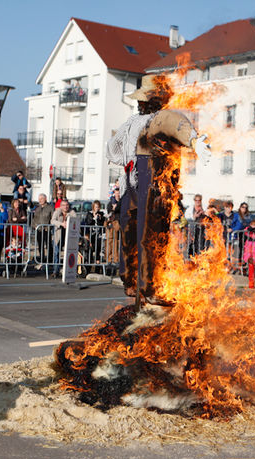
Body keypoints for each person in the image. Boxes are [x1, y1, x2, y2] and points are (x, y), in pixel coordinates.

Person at [105, 73, 211, 303]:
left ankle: (132, 282)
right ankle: (148, 287)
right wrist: (194, 141)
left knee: (131, 236)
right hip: (150, 182)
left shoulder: (130, 122)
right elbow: (176, 123)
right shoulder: (157, 118)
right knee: (149, 235)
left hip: (131, 184)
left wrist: (127, 160)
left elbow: (111, 149)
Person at [51, 199, 77, 277]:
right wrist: (61, 224)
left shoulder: (72, 212)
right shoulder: (57, 212)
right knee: (56, 253)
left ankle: (67, 271)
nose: (65, 207)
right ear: (60, 206)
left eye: (67, 205)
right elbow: (52, 221)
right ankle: (56, 270)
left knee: (68, 253)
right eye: (63, 205)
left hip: (68, 236)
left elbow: (75, 220)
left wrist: (68, 223)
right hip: (58, 235)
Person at [31, 193, 55, 265]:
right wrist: (34, 226)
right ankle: (41, 259)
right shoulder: (37, 208)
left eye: (41, 199)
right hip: (38, 229)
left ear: (45, 199)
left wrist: (49, 227)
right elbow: (34, 218)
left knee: (48, 245)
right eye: (39, 199)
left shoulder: (50, 207)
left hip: (46, 229)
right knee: (40, 245)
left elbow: (53, 219)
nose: (40, 200)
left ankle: (50, 260)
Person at [105, 188, 122, 267]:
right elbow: (110, 211)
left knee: (117, 243)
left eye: (119, 193)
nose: (117, 195)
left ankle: (116, 259)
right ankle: (109, 259)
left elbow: (120, 210)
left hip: (120, 225)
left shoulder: (122, 202)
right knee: (110, 243)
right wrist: (114, 209)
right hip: (112, 225)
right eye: (116, 193)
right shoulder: (110, 203)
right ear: (114, 193)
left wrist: (116, 208)